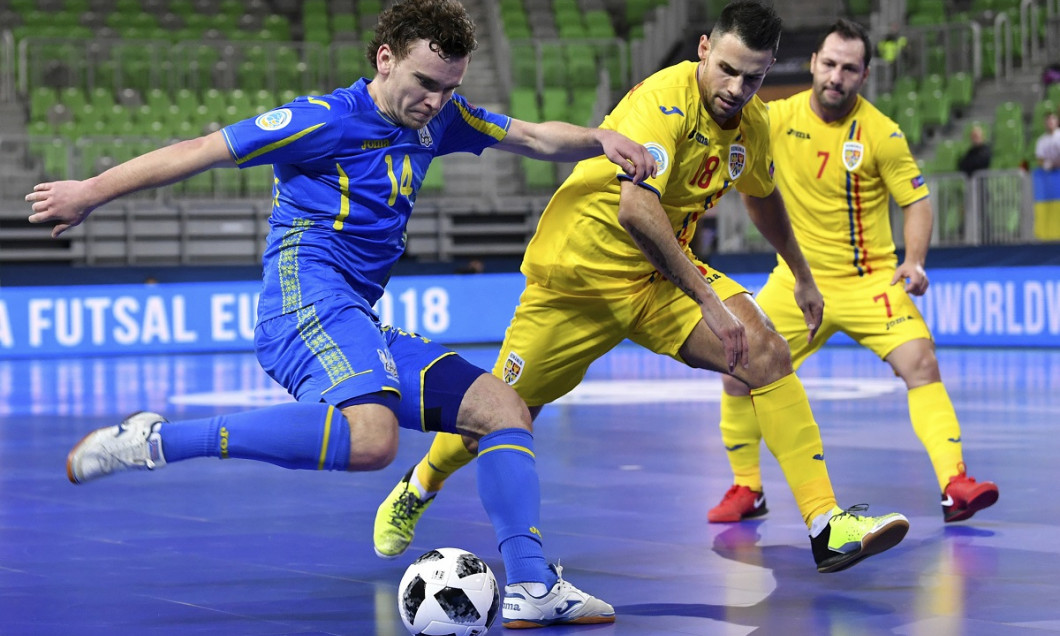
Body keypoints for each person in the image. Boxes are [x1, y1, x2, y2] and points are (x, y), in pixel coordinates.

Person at [25, 0, 658, 629]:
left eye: (450, 88)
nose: (437, 101)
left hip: (354, 315)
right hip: (301, 306)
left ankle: (530, 585)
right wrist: (87, 194)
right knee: (372, 439)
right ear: (385, 59)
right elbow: (202, 150)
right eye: (425, 84)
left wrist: (600, 138)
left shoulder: (439, 121)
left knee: (502, 410)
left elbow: (533, 136)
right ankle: (155, 441)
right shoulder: (323, 120)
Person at [375, 0, 910, 576]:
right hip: (576, 283)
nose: (736, 87)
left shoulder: (752, 123)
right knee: (503, 410)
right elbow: (636, 210)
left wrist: (802, 275)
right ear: (704, 48)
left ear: (770, 70)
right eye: (727, 69)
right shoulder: (664, 101)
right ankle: (421, 482)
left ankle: (826, 524)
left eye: (752, 77)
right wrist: (710, 301)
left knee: (766, 352)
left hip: (657, 280)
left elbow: (762, 193)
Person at [705, 19, 998, 525]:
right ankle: (747, 487)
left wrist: (914, 260)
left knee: (921, 364)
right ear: (813, 64)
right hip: (796, 282)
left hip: (869, 282)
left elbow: (918, 202)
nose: (836, 76)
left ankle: (956, 483)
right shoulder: (774, 117)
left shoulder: (882, 133)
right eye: (829, 64)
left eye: (849, 68)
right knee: (737, 369)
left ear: (863, 75)